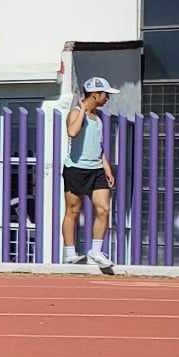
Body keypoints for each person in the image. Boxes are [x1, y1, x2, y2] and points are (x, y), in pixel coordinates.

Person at [62, 77, 118, 271]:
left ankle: (95, 251)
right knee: (73, 211)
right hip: (76, 169)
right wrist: (83, 110)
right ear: (95, 94)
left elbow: (98, 146)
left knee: (103, 209)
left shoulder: (98, 118)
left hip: (97, 170)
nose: (107, 98)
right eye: (105, 95)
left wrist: (107, 168)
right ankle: (70, 253)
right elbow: (72, 132)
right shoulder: (76, 113)